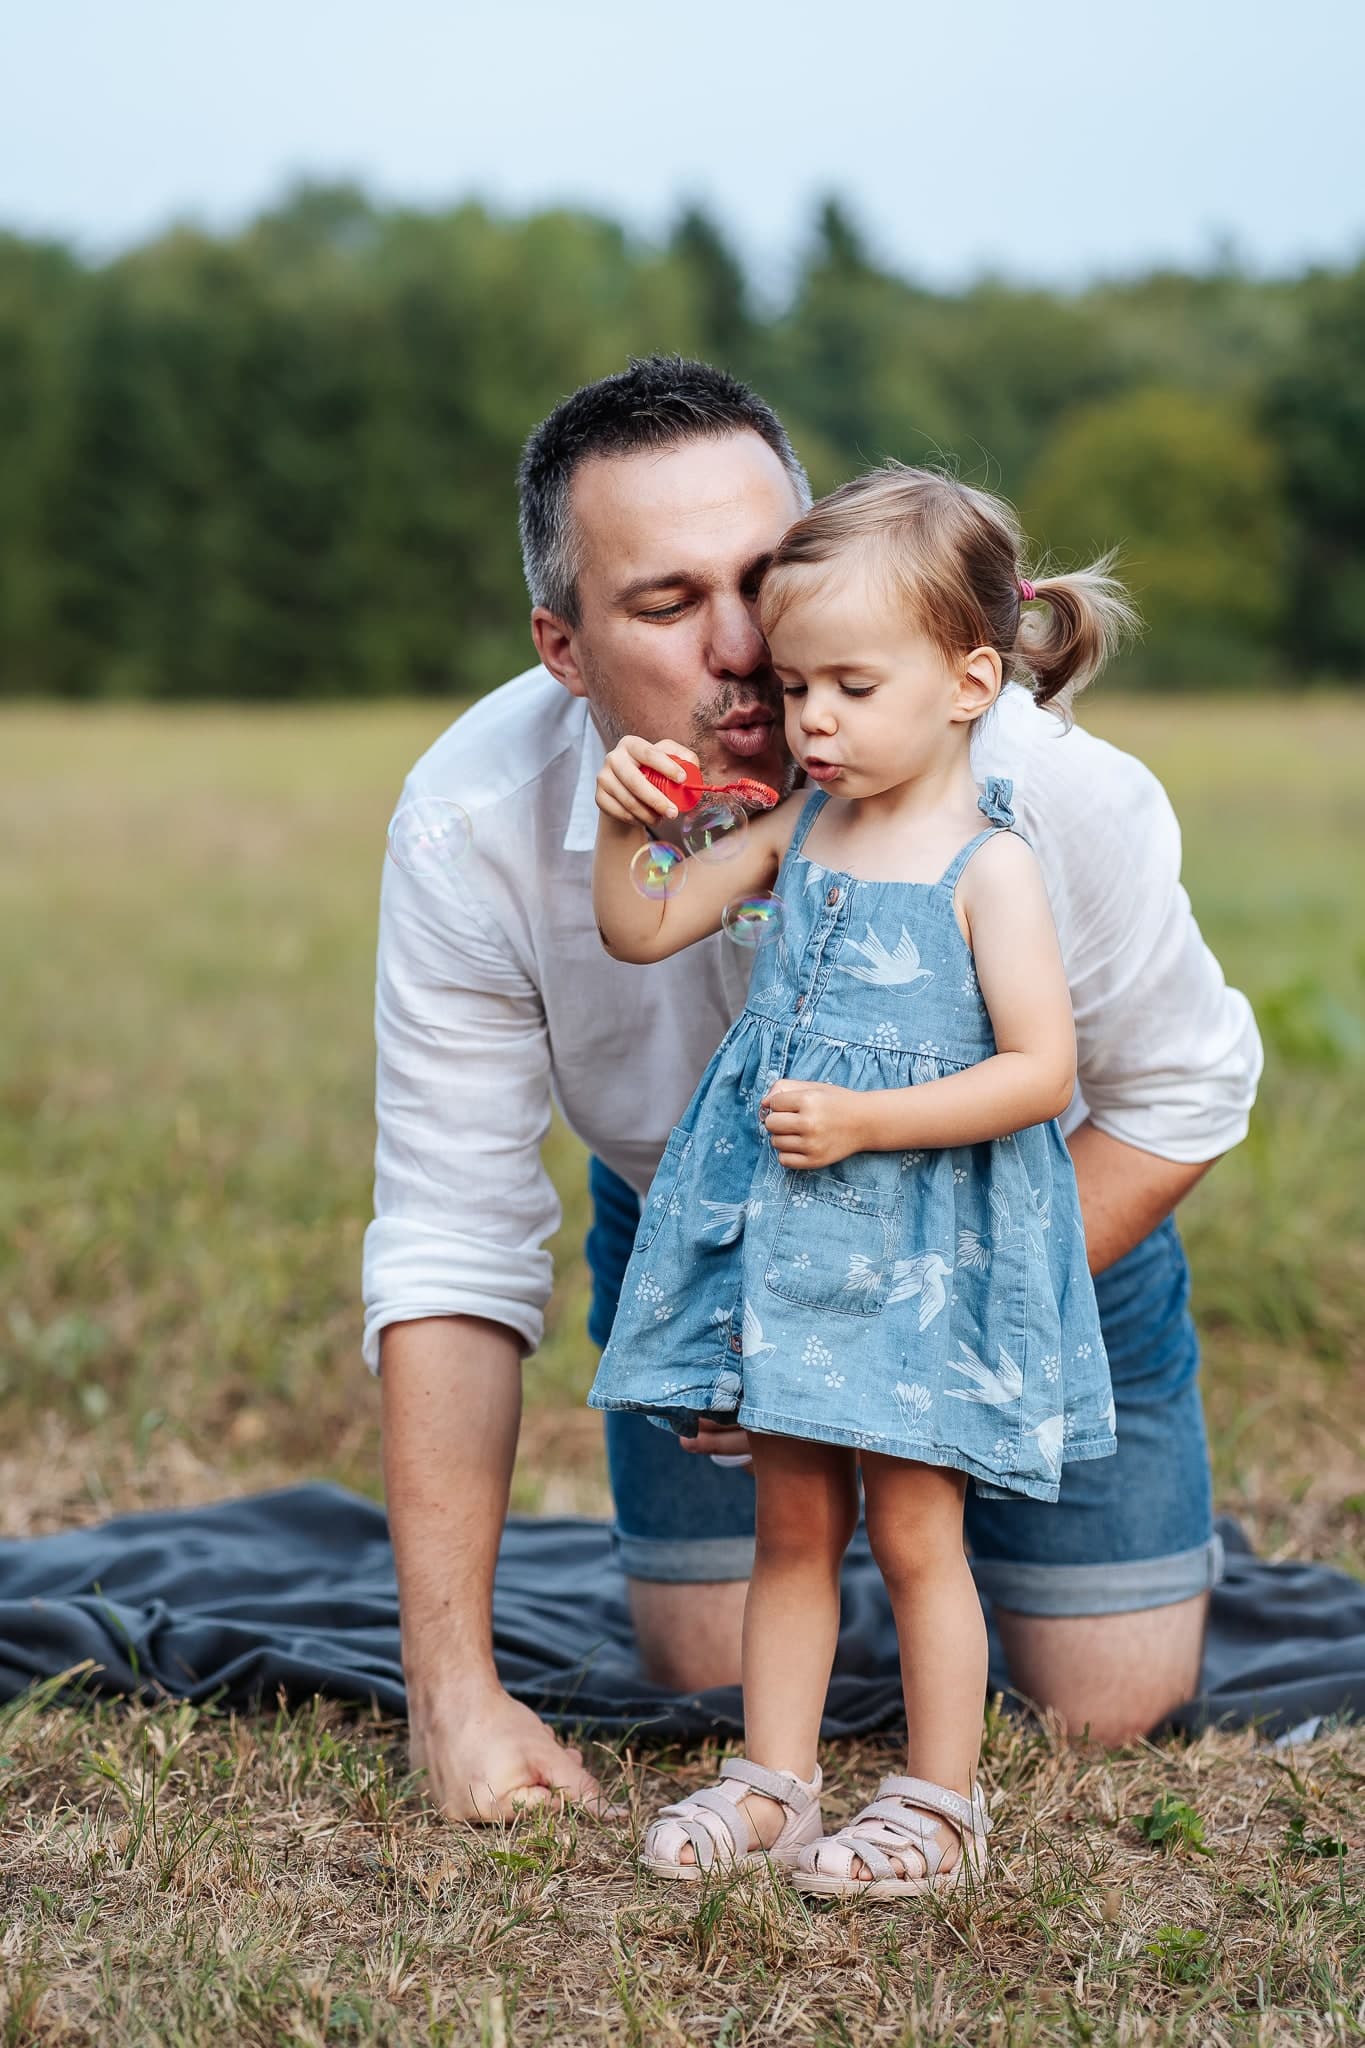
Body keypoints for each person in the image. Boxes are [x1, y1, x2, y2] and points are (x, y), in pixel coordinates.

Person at [363, 356, 1263, 1824]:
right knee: (703, 1679)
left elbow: (1183, 1092)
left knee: (1108, 1710)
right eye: (664, 606)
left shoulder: (1043, 799)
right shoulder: (471, 819)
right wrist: (450, 1691)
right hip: (716, 1244)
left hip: (1018, 1243)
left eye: (766, 578)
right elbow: (452, 1237)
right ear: (562, 646)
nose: (742, 648)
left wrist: (912, 1327)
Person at [585, 466, 1127, 1893]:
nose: (809, 719)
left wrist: (873, 1124)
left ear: (964, 681)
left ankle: (937, 1805)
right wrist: (626, 828)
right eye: (796, 683)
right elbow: (644, 932)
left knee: (914, 1525)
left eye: (849, 688)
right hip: (794, 1248)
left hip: (917, 1247)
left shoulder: (984, 866)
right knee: (790, 1520)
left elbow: (1037, 1073)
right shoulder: (802, 829)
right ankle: (774, 1785)